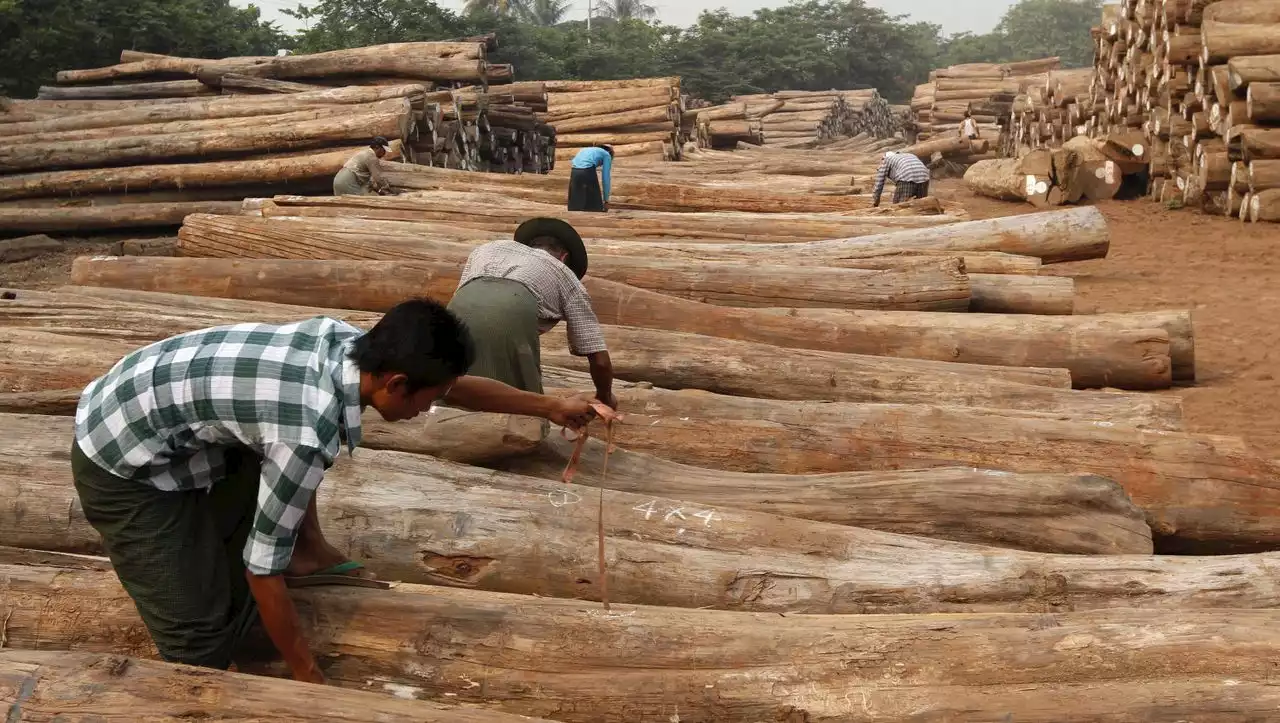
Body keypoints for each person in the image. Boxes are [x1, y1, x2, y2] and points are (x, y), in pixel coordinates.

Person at [71, 299, 601, 684]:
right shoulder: (306, 430)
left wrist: (549, 405)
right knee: (199, 636)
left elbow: (453, 385)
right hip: (123, 456)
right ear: (394, 384)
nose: (427, 410)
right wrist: (308, 674)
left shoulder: (350, 344)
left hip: (176, 418)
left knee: (233, 563)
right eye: (427, 400)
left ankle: (302, 552)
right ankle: (203, 664)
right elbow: (262, 566)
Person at [448, 217, 615, 409]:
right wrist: (605, 397)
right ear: (564, 257)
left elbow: (467, 301)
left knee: (448, 385)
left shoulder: (487, 249)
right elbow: (599, 360)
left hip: (455, 312)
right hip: (507, 316)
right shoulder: (565, 274)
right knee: (522, 410)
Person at [567, 143, 613, 212]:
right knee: (594, 206)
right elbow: (606, 178)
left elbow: (575, 161)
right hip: (587, 171)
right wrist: (606, 200)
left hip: (574, 171)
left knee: (575, 205)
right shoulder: (607, 154)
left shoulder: (585, 149)